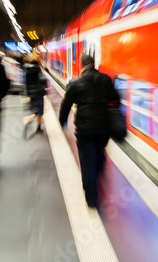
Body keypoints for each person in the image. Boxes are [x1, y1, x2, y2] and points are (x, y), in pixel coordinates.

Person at [59, 55, 120, 208]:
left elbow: (65, 106)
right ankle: (97, 173)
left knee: (87, 163)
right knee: (99, 155)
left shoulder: (75, 83)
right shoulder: (105, 79)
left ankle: (91, 199)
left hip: (85, 129)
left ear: (81, 65)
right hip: (103, 128)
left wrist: (62, 123)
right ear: (94, 64)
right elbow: (115, 99)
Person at [23, 55, 47, 132]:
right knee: (40, 111)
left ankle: (36, 124)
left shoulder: (26, 69)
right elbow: (41, 80)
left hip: (30, 93)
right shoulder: (38, 69)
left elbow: (25, 82)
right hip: (38, 93)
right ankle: (36, 126)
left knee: (34, 108)